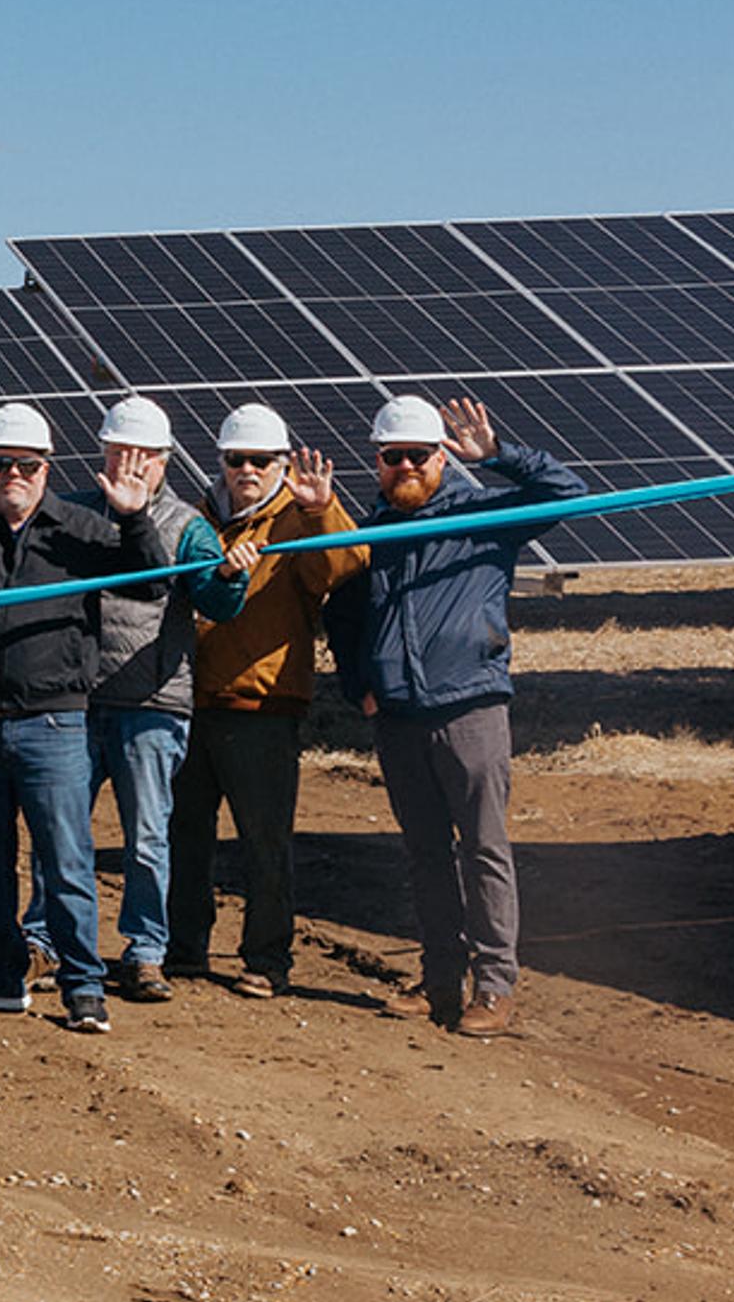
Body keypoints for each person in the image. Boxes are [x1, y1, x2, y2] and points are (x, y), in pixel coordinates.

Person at [0, 401, 245, 1035]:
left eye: (26, 463)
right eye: (0, 464)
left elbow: (151, 584)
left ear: (45, 467)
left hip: (62, 722)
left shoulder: (80, 528)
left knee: (73, 856)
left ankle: (84, 986)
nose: (13, 474)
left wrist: (131, 519)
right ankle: (0, 977)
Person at [329, 394, 583, 1036]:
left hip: (470, 706)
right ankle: (440, 981)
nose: (407, 466)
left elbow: (570, 493)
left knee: (484, 849)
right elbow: (342, 614)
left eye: (419, 454)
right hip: (398, 715)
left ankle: (494, 986)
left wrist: (499, 455)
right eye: (395, 457)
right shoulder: (371, 536)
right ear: (378, 461)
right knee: (425, 856)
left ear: (441, 456)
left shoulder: (484, 517)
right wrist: (359, 684)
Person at [166, 406, 366, 999]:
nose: (247, 470)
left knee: (264, 841)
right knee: (186, 835)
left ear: (281, 463)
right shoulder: (196, 519)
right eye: (237, 460)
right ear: (221, 463)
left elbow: (347, 566)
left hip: (264, 704)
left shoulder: (300, 519)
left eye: (261, 461)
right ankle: (185, 948)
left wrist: (319, 509)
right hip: (189, 702)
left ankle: (267, 958)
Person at [83, 396, 221, 1003]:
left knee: (145, 837)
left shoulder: (189, 528)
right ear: (104, 453)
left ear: (166, 461)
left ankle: (144, 952)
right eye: (119, 452)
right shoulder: (76, 515)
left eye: (144, 455)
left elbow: (219, 602)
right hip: (79, 701)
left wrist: (230, 576)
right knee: (62, 832)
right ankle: (45, 939)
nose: (131, 465)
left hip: (153, 703)